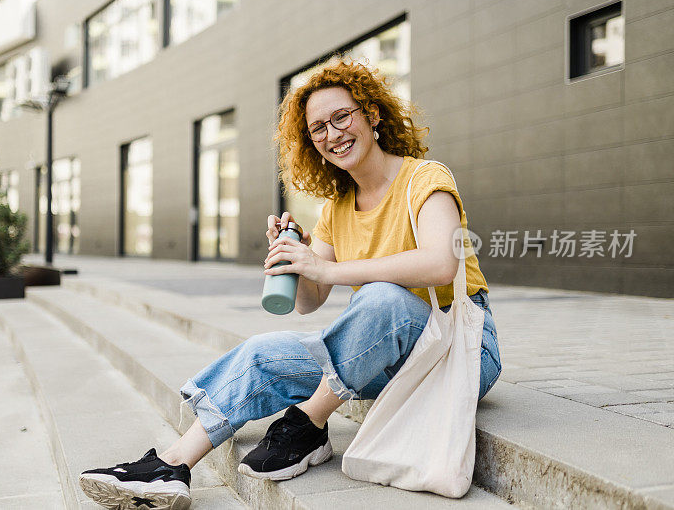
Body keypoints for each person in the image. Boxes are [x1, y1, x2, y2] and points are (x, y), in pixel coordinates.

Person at [79, 59, 502, 510]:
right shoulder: (338, 208)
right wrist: (296, 260)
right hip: (387, 354)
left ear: (372, 115)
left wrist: (328, 270)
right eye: (318, 128)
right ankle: (173, 465)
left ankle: (309, 422)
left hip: (462, 349)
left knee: (383, 299)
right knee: (263, 350)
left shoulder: (425, 178)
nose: (333, 134)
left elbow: (440, 264)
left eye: (342, 117)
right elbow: (308, 302)